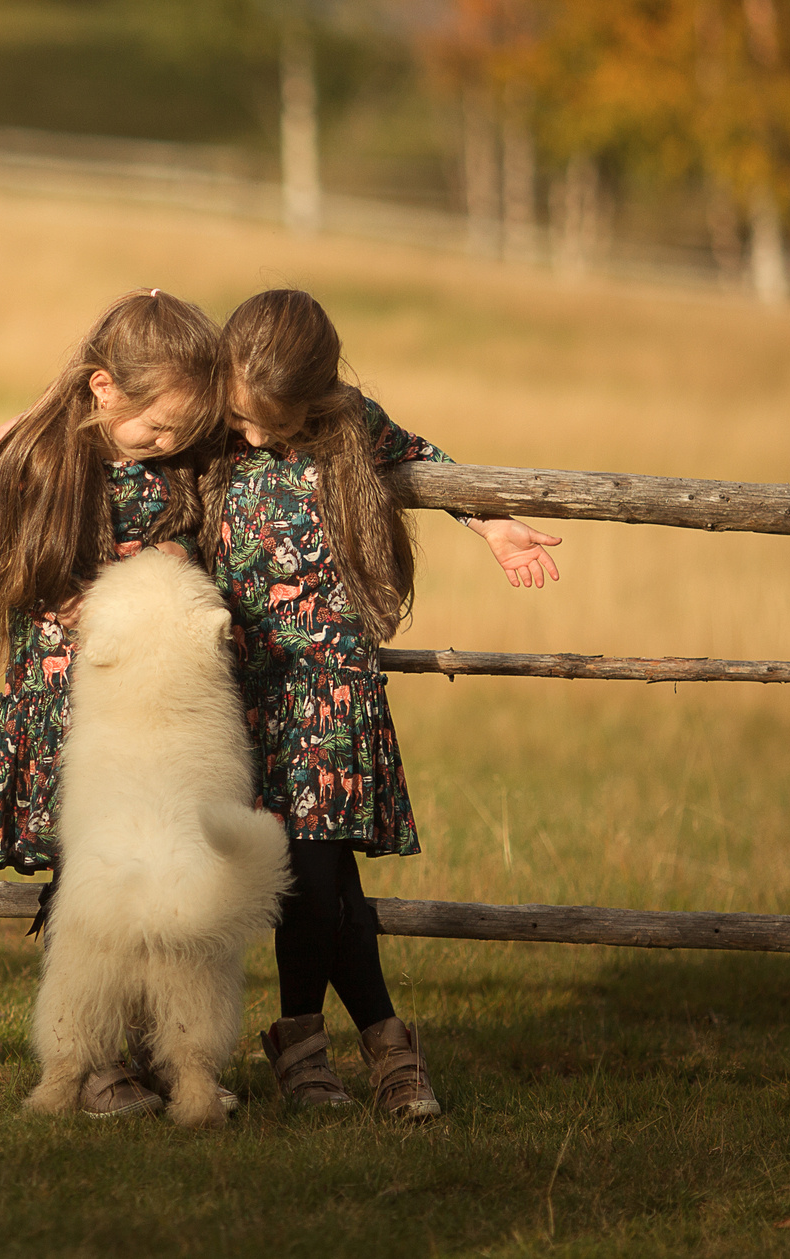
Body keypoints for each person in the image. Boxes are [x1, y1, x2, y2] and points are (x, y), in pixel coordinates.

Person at [207, 289, 561, 1122]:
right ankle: (379, 1050)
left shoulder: (349, 424)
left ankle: (313, 1049)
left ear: (317, 396)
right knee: (324, 883)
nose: (252, 437)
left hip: (334, 693)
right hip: (247, 695)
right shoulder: (210, 421)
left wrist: (492, 524)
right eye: (244, 418)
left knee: (312, 873)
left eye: (272, 423)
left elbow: (428, 460)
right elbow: (119, 417)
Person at [0, 287, 224, 1118]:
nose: (170, 441)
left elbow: (208, 526)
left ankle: (157, 1045)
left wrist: (181, 552)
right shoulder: (46, 458)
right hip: (66, 700)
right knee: (87, 876)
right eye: (158, 425)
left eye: (184, 428)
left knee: (153, 866)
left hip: (149, 710)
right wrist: (48, 590)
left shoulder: (177, 463)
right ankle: (91, 1057)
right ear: (103, 389)